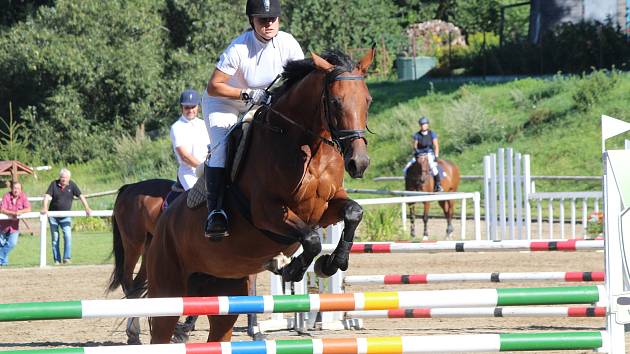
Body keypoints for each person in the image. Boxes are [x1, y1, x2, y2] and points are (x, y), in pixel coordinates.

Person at [201, 0, 304, 240]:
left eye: (272, 19)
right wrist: (246, 94)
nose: (268, 24)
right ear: (252, 22)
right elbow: (214, 86)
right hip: (225, 102)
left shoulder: (288, 43)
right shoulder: (238, 48)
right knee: (221, 149)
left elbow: (299, 81)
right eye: (262, 20)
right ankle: (215, 212)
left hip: (262, 102)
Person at [41, 168, 92, 264]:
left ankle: (66, 258)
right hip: (53, 217)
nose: (63, 179)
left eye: (65, 177)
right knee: (55, 238)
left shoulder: (72, 185)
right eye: (62, 177)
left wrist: (87, 208)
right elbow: (47, 197)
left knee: (68, 236)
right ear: (59, 177)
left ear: (69, 178)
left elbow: (81, 196)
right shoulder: (54, 184)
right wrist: (45, 208)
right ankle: (57, 260)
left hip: (66, 216)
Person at [170, 89, 209, 191]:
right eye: (187, 107)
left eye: (193, 107)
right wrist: (203, 168)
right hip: (189, 173)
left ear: (198, 107)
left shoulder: (204, 124)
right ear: (181, 108)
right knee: (197, 198)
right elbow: (185, 156)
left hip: (207, 168)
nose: (190, 110)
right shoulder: (177, 127)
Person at [404, 116, 443, 192]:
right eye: (422, 124)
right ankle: (409, 186)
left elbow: (436, 146)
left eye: (424, 124)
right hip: (419, 154)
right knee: (405, 169)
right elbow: (415, 146)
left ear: (427, 125)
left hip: (429, 154)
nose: (423, 126)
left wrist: (436, 156)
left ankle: (438, 185)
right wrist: (417, 152)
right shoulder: (417, 135)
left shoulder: (432, 134)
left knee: (433, 168)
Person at [0, 181, 31, 266]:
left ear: (21, 190)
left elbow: (28, 208)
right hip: (3, 225)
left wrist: (20, 211)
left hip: (14, 227)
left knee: (12, 243)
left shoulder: (23, 197)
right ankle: (4, 263)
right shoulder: (6, 196)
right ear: (11, 189)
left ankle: (0, 259)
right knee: (2, 244)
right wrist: (13, 213)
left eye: (18, 188)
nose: (16, 190)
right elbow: (2, 209)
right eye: (14, 188)